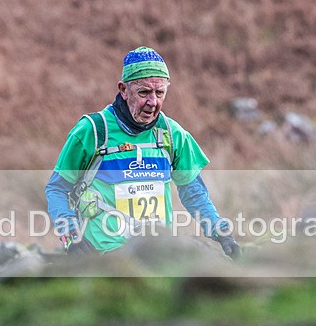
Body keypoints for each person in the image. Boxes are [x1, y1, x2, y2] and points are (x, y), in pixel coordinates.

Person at [45, 46, 241, 258]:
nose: (153, 102)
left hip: (158, 255)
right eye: (144, 92)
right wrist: (71, 237)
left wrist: (221, 233)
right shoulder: (92, 131)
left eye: (160, 93)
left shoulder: (172, 134)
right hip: (104, 258)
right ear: (123, 90)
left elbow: (193, 192)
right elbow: (57, 189)